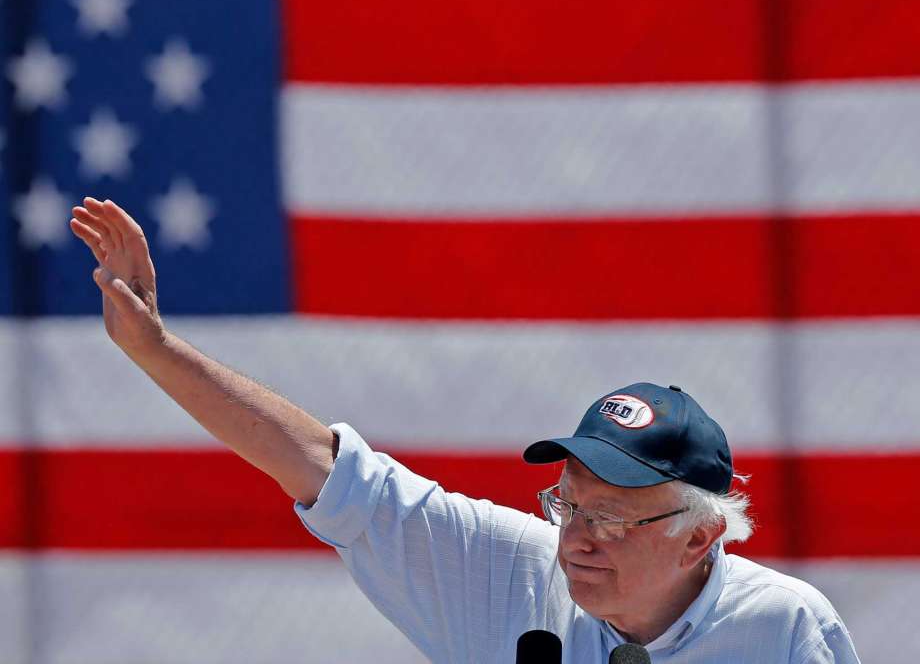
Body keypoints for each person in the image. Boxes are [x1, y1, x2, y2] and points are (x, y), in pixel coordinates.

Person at [70, 198, 861, 663]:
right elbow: (328, 470)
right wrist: (156, 350)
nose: (578, 538)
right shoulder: (514, 575)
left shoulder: (784, 628)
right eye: (570, 505)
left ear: (702, 537)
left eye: (612, 518)